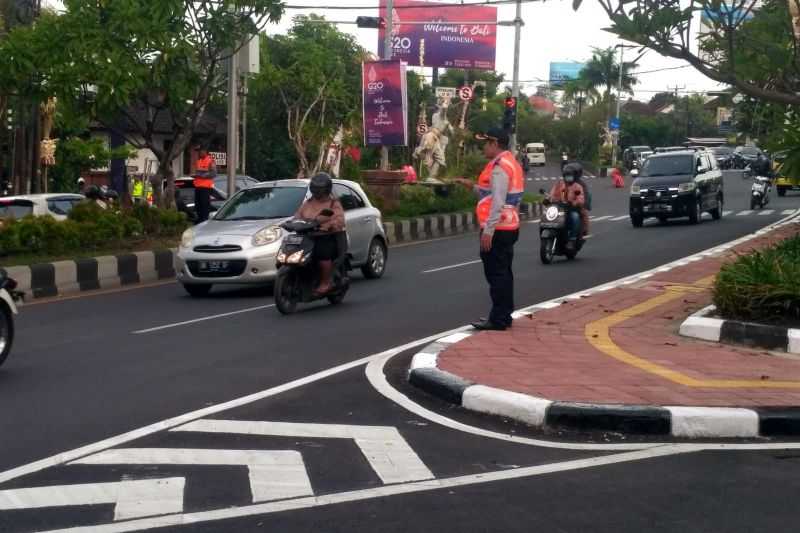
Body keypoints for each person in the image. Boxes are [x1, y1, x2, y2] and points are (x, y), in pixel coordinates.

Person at [462, 127, 524, 332]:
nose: (484, 147)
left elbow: (497, 201)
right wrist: (470, 186)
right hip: (510, 224)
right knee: (504, 273)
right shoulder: (511, 163)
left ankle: (498, 318)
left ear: (495, 144)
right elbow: (493, 194)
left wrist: (488, 230)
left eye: (486, 143)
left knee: (496, 274)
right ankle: (504, 315)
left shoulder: (499, 166)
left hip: (497, 227)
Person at [294, 173, 345, 296]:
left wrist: (329, 225)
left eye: (320, 189)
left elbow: (340, 219)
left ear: (326, 189)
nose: (317, 191)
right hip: (309, 236)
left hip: (327, 237)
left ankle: (325, 282)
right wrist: (292, 223)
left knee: (322, 256)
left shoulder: (333, 203)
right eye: (315, 188)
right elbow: (298, 215)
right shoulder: (308, 202)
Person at [549, 163, 586, 250]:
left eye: (570, 176)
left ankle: (572, 240)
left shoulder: (577, 187)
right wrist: (549, 199)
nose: (568, 178)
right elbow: (552, 194)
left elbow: (581, 198)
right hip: (559, 209)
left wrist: (574, 202)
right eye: (566, 176)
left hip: (571, 209)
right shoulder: (559, 184)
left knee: (575, 217)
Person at [193, 146, 217, 223]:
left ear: (204, 151)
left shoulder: (210, 161)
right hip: (198, 187)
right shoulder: (199, 161)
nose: (198, 153)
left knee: (204, 206)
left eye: (200, 151)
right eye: (198, 151)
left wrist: (201, 176)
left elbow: (213, 173)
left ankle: (204, 222)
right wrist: (194, 175)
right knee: (198, 206)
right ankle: (199, 221)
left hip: (205, 188)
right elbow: (198, 172)